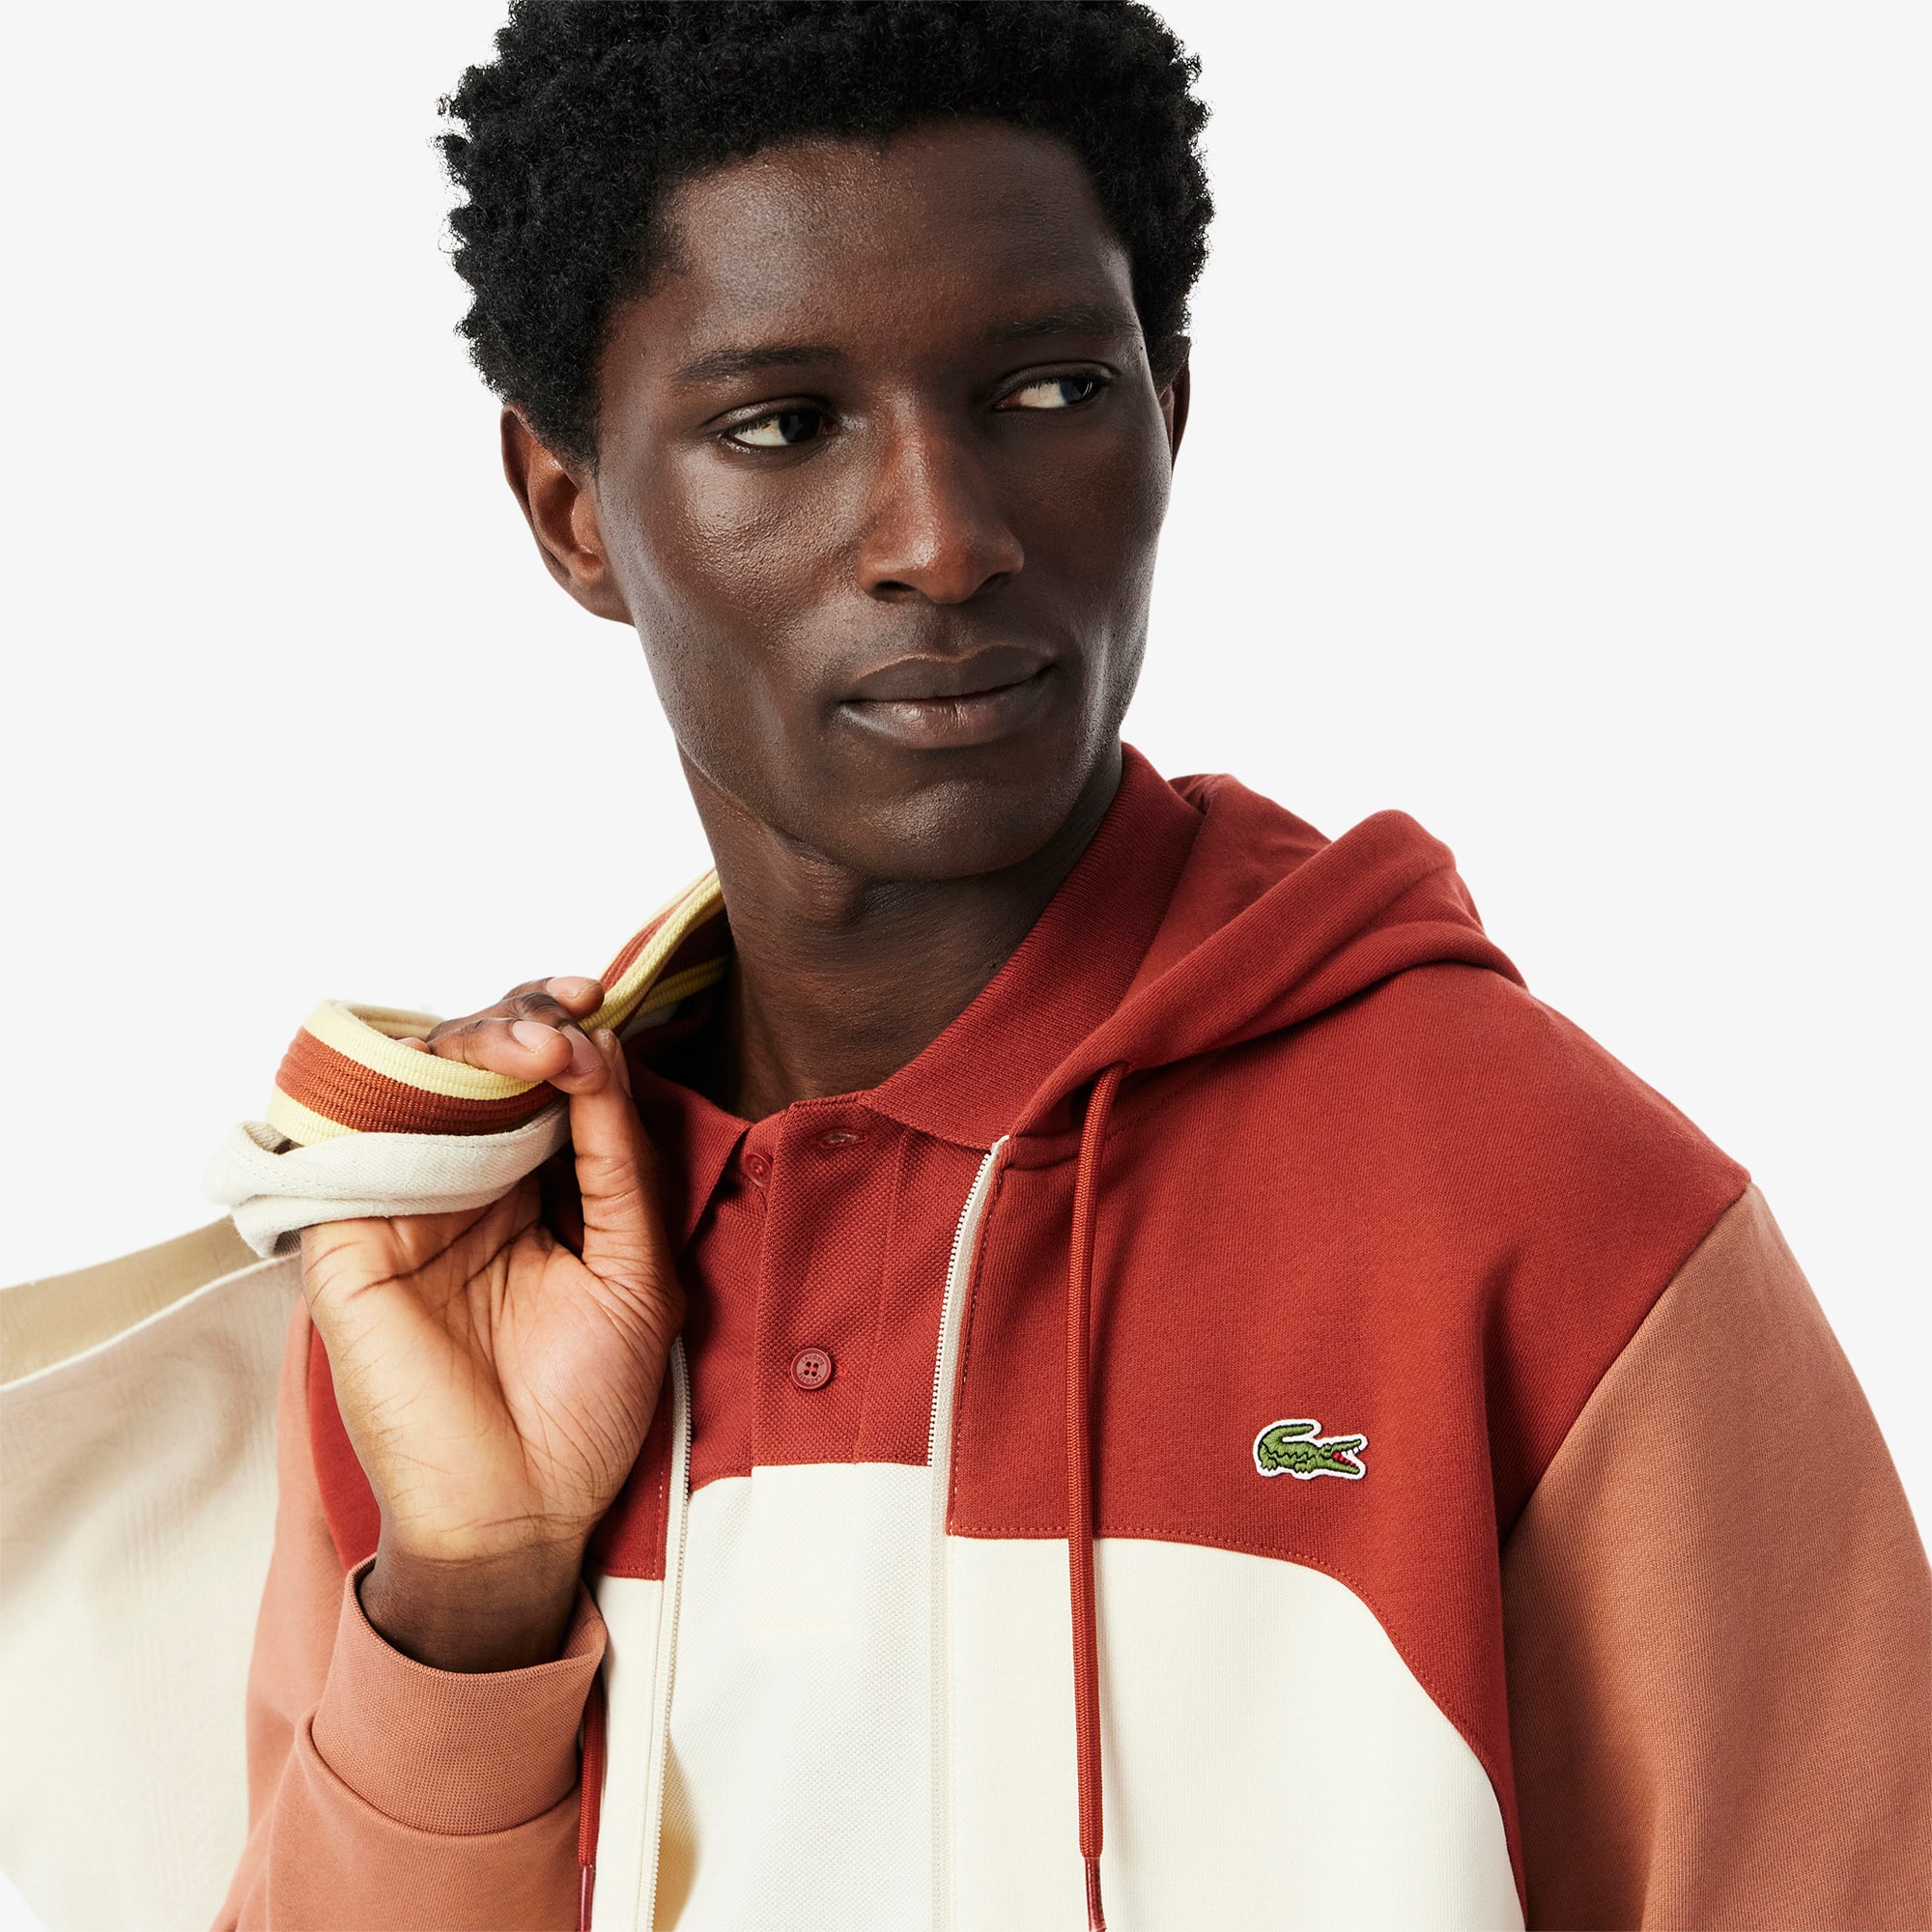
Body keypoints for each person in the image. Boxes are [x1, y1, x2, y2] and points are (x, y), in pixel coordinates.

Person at [207, 4, 1929, 1928]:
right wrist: (470, 1603)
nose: (944, 542)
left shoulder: (1548, 1211)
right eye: (782, 424)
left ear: (1167, 412)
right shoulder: (460, 1266)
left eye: (1046, 391)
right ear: (571, 509)